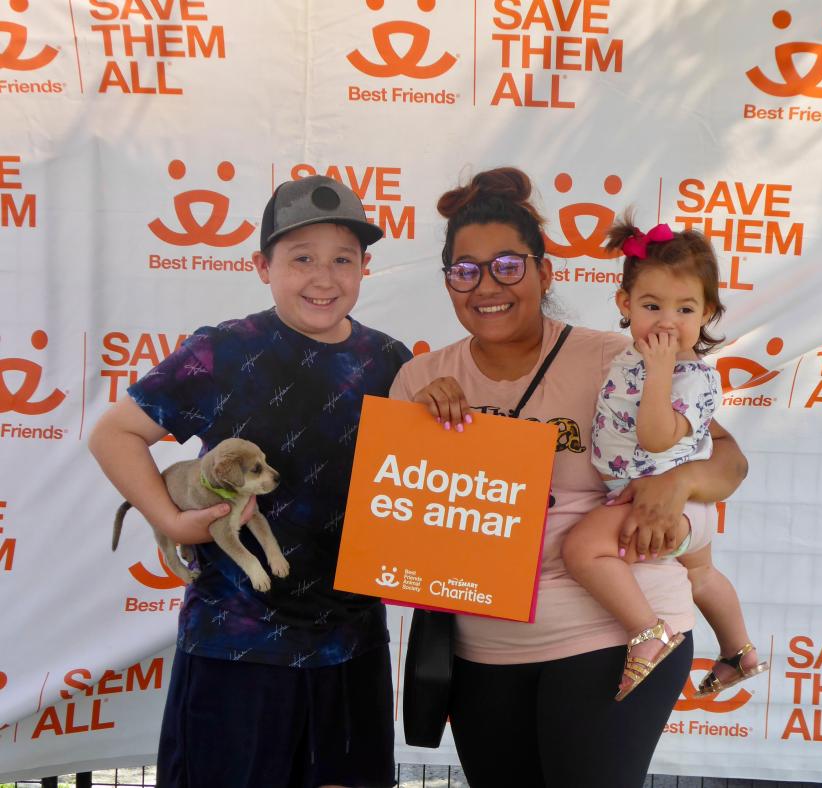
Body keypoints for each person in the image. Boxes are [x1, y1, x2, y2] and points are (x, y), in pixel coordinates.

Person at [389, 167, 747, 787]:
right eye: (465, 270)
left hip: (615, 636)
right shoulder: (418, 380)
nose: (486, 286)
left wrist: (682, 484)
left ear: (545, 272)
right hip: (483, 653)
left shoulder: (618, 358)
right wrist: (422, 430)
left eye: (507, 265)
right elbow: (400, 521)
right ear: (448, 282)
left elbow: (729, 460)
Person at [88, 175, 411, 788]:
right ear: (263, 266)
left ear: (366, 267)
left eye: (343, 259)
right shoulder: (222, 351)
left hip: (351, 648)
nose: (323, 277)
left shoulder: (391, 361)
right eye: (301, 258)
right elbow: (114, 435)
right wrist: (170, 519)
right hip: (235, 647)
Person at [561, 216, 767, 703]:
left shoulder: (689, 376)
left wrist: (658, 373)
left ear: (707, 313)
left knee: (582, 548)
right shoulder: (630, 357)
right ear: (625, 305)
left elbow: (655, 438)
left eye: (685, 308)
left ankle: (647, 632)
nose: (667, 322)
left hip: (668, 500)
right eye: (652, 306)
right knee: (700, 575)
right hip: (666, 498)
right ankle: (740, 653)